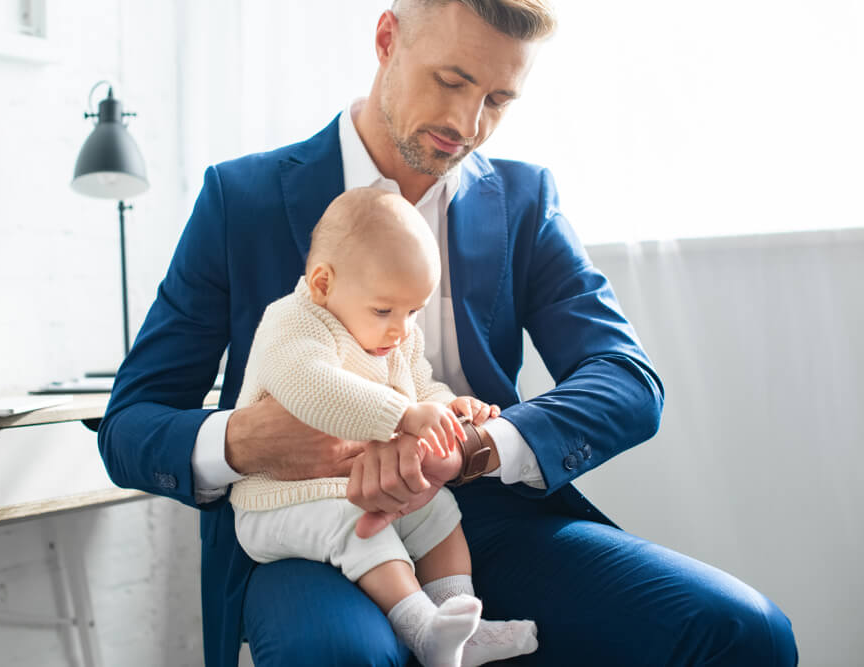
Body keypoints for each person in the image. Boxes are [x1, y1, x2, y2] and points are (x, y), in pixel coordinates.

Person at [98, 0, 800, 664]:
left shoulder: (525, 201)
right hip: (305, 525)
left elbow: (629, 380)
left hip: (478, 515)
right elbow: (129, 423)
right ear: (386, 40)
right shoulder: (240, 198)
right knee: (339, 654)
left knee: (746, 631)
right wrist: (247, 439)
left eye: (497, 100)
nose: (468, 122)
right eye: (453, 80)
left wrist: (471, 449)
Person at [230, 186, 537, 666]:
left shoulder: (397, 337)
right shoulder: (291, 322)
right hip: (276, 504)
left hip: (349, 487)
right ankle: (423, 629)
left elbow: (421, 388)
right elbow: (313, 388)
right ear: (323, 284)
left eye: (413, 311)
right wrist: (403, 415)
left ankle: (457, 621)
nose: (400, 328)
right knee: (356, 525)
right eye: (384, 311)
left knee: (438, 511)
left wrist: (451, 409)